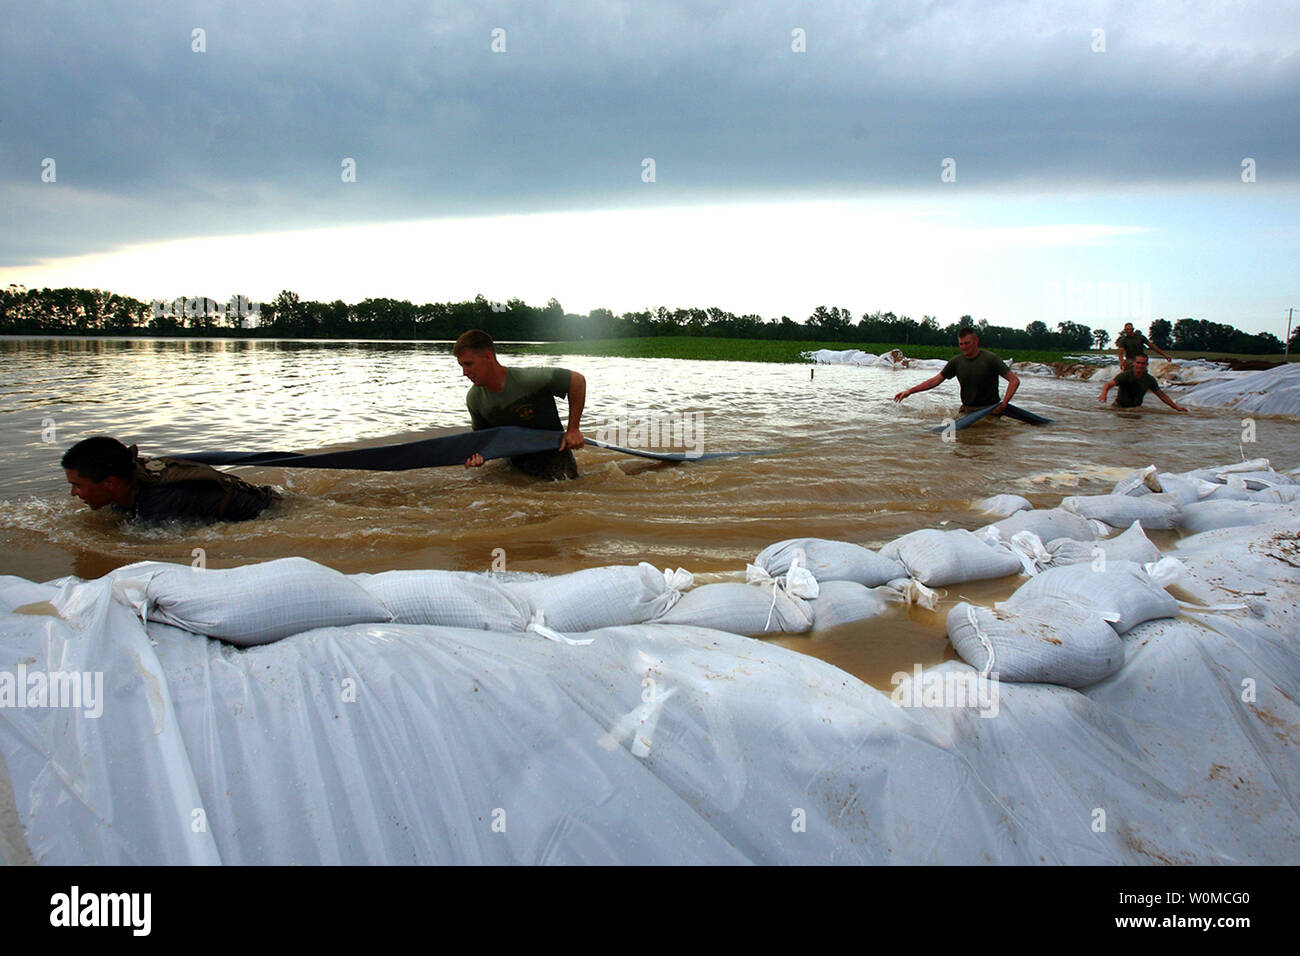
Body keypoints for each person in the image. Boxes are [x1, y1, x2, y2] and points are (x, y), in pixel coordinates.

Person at [453, 330, 586, 480]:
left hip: (557, 467)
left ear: (488, 357)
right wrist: (480, 457)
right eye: (461, 365)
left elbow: (577, 380)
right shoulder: (475, 398)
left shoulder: (528, 380)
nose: (465, 372)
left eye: (469, 364)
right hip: (514, 469)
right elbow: (484, 441)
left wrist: (573, 429)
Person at [62, 436, 279, 524]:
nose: (73, 494)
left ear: (110, 483)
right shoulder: (129, 472)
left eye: (77, 486)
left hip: (267, 513)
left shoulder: (158, 506)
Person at [893, 326, 1020, 415]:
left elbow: (1014, 381)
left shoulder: (991, 359)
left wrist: (1003, 404)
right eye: (961, 344)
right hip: (967, 411)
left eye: (967, 343)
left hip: (991, 410)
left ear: (976, 341)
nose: (964, 347)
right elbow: (936, 380)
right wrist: (910, 391)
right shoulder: (956, 362)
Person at [1098, 353, 1187, 411]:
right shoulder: (1125, 375)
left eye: (1143, 363)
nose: (1140, 365)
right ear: (1134, 363)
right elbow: (1108, 384)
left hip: (1136, 409)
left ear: (1146, 365)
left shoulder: (1149, 379)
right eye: (1138, 363)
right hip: (1119, 408)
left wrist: (1177, 408)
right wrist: (1104, 394)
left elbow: (1161, 395)